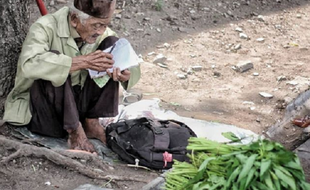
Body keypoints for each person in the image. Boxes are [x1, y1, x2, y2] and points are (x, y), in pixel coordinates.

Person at [3, 0, 141, 153]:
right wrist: (77, 62)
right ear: (75, 19)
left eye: (105, 25)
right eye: (96, 26)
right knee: (55, 61)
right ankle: (75, 132)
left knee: (111, 47)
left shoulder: (102, 34)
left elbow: (132, 64)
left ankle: (92, 123)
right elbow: (29, 64)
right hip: (46, 113)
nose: (101, 31)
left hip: (77, 108)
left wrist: (124, 74)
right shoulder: (45, 27)